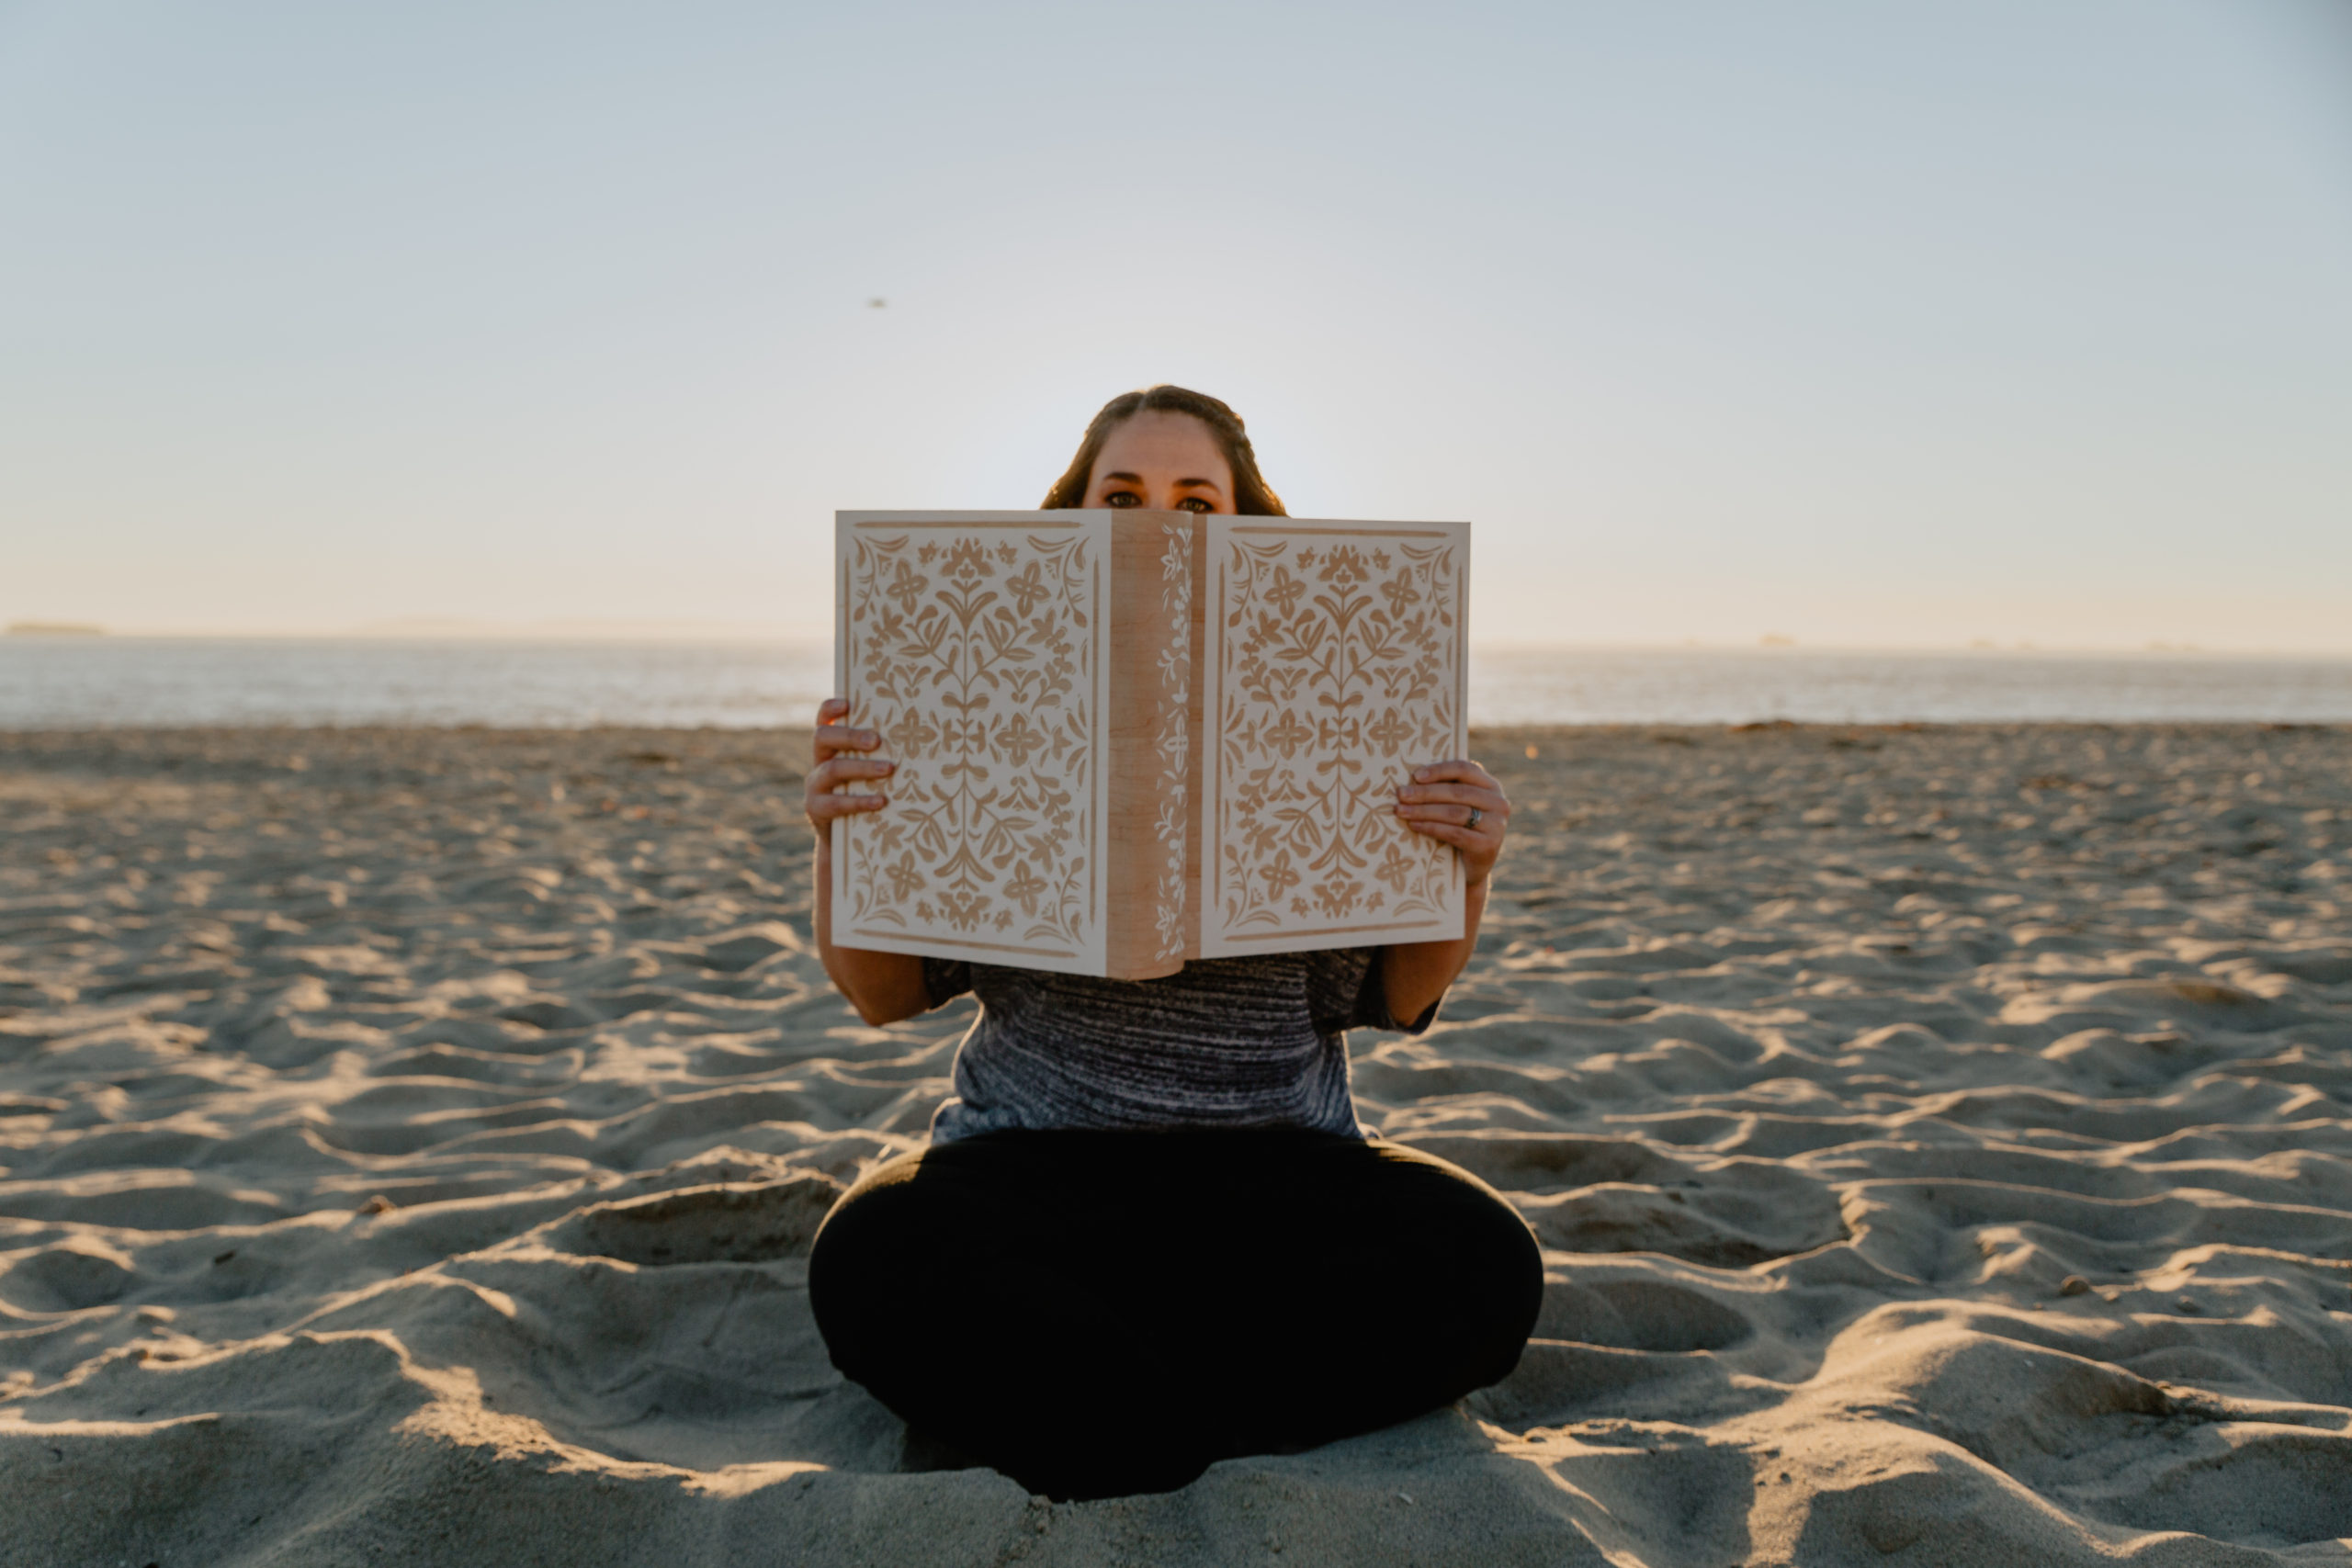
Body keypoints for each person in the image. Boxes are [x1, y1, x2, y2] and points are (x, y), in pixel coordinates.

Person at [803, 384, 1542, 1499]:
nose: (1161, 518)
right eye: (1124, 494)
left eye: (1198, 499)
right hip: (1032, 1166)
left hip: (1279, 1172)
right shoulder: (980, 691)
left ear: (1245, 527)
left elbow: (1393, 997)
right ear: (1077, 517)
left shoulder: (1330, 695)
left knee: (1483, 1261)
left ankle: (1121, 1419)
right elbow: (881, 996)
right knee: (868, 1257)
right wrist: (839, 840)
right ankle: (1210, 1415)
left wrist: (1464, 876)